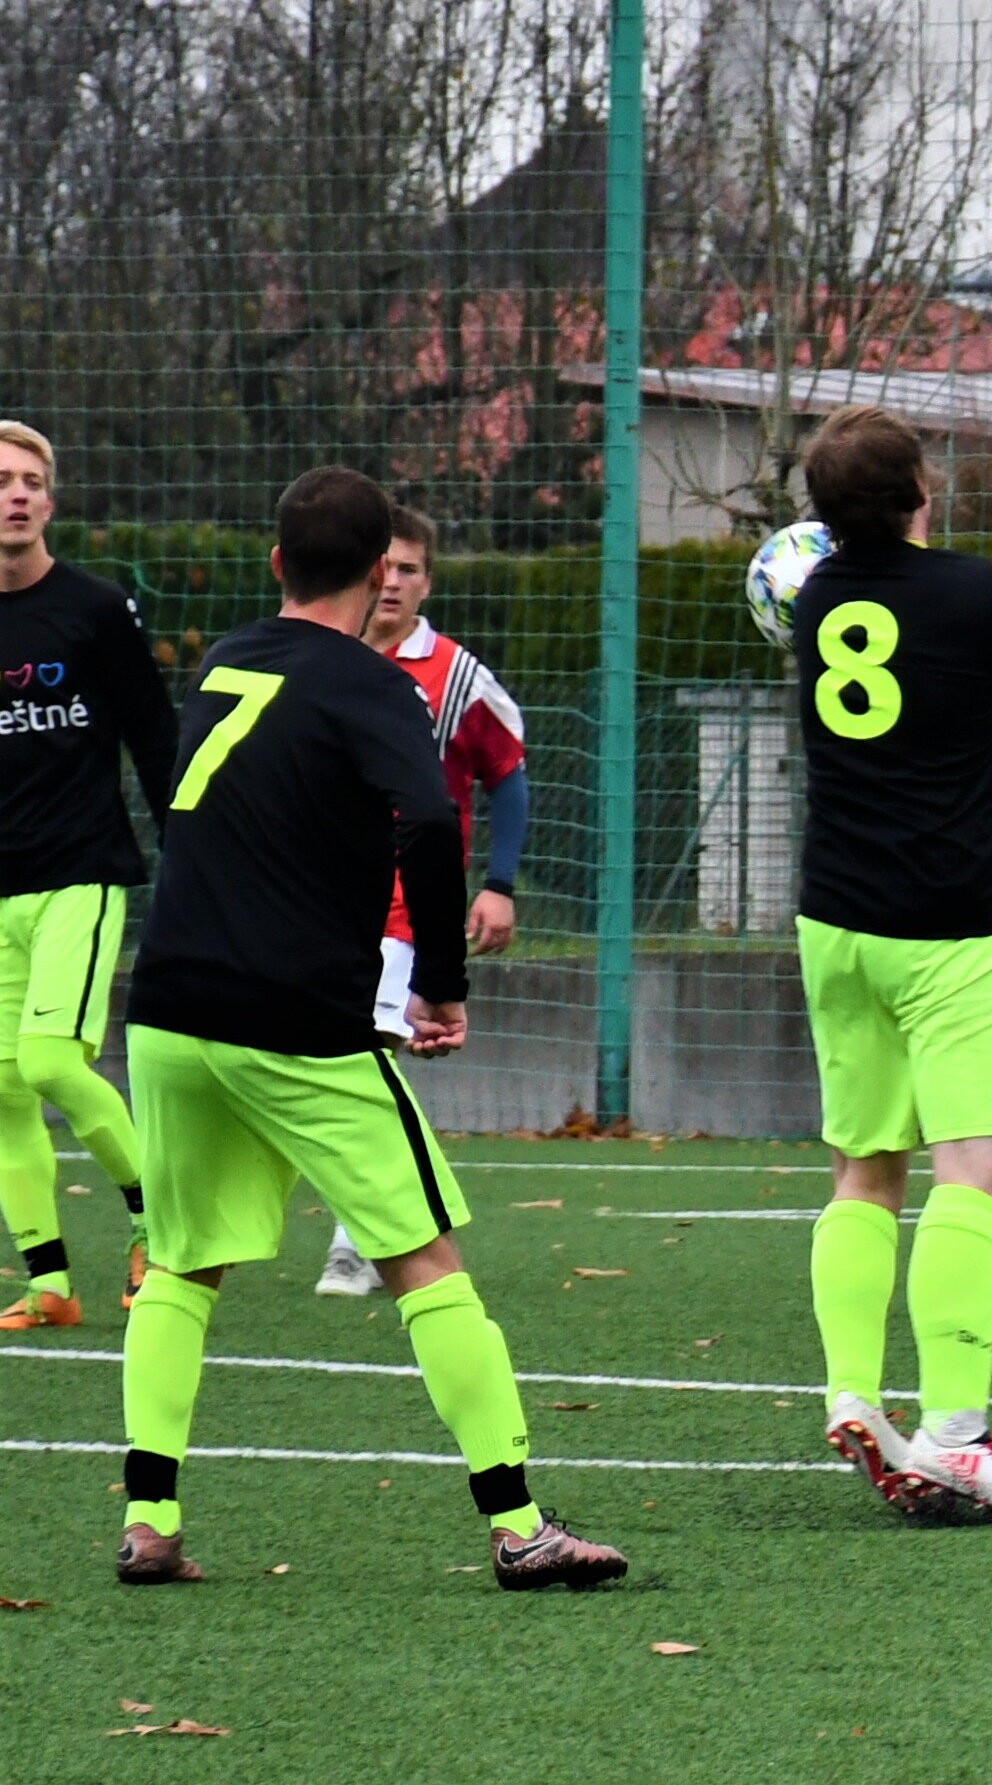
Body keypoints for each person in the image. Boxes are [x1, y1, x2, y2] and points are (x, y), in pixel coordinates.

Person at [114, 466, 625, 1589]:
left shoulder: (226, 660)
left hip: (168, 1008)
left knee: (181, 1266)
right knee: (424, 1258)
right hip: (293, 1018)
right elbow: (431, 818)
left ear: (277, 563)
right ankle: (519, 1524)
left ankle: (149, 1520)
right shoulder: (372, 683)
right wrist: (440, 982)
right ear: (376, 570)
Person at [792, 405, 992, 1524]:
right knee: (973, 1174)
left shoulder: (814, 597)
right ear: (919, 490)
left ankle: (853, 1389)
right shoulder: (980, 594)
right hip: (948, 923)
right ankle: (955, 1433)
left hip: (834, 922)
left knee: (864, 1170)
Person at [316, 503, 529, 1296]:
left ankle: (359, 1239)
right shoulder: (324, 657)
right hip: (321, 903)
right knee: (318, 1058)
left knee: (368, 1052)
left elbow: (507, 775)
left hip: (406, 907)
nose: (394, 582)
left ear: (427, 581)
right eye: (386, 567)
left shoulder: (457, 674)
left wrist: (499, 884)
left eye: (410, 569)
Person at [0, 419, 176, 1331]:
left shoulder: (97, 609)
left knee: (49, 1062)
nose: (17, 494)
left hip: (81, 873)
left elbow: (156, 735)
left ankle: (163, 1224)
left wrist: (193, 855)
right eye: (2, 480)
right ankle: (50, 1284)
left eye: (31, 481)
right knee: (2, 1090)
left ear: (51, 502)